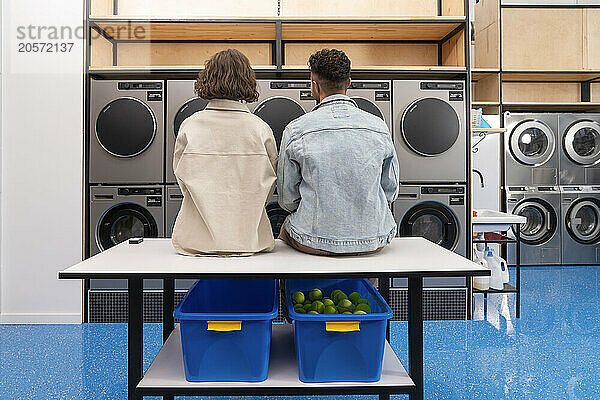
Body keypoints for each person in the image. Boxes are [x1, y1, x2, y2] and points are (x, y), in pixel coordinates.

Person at [277, 48, 399, 256]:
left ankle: (297, 289)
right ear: (348, 82)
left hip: (314, 241)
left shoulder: (296, 129)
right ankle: (367, 287)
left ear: (314, 86)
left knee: (286, 230)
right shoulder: (378, 126)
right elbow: (391, 190)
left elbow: (287, 199)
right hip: (375, 238)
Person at [172, 49, 278, 256]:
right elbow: (270, 185)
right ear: (248, 81)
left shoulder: (190, 126)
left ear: (207, 79)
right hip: (251, 240)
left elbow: (182, 181)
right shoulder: (260, 129)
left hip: (196, 242)